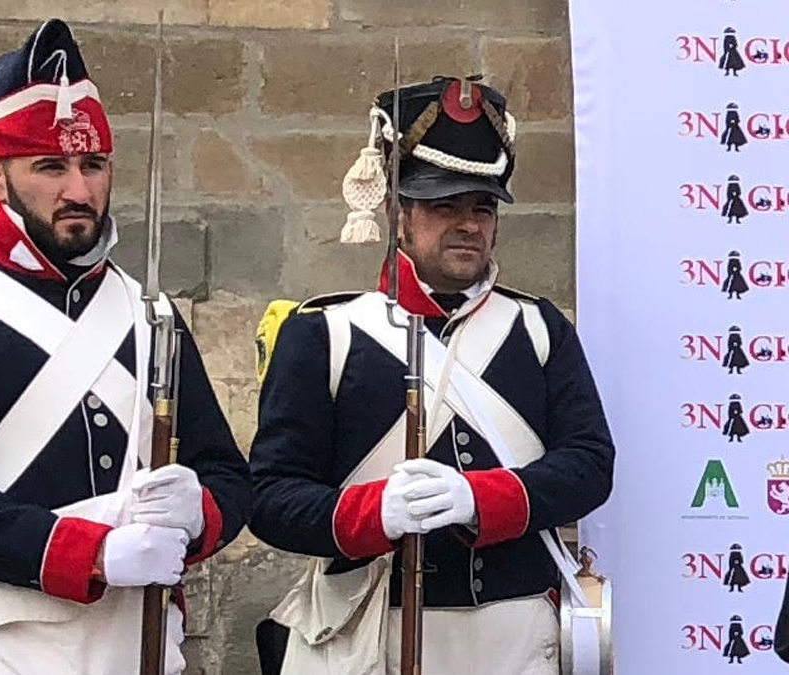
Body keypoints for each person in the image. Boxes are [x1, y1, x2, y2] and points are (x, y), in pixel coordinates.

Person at [0, 19, 251, 675]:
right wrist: (94, 553)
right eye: (51, 166)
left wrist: (199, 511)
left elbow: (227, 476)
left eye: (93, 164)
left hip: (139, 643)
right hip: (1, 647)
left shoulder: (148, 311)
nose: (79, 190)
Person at [248, 76, 615, 675]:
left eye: (482, 207)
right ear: (399, 214)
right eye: (445, 205)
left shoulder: (539, 328)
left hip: (517, 637)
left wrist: (478, 498)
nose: (469, 224)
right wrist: (376, 514)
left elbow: (590, 466)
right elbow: (269, 497)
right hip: (375, 634)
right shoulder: (324, 332)